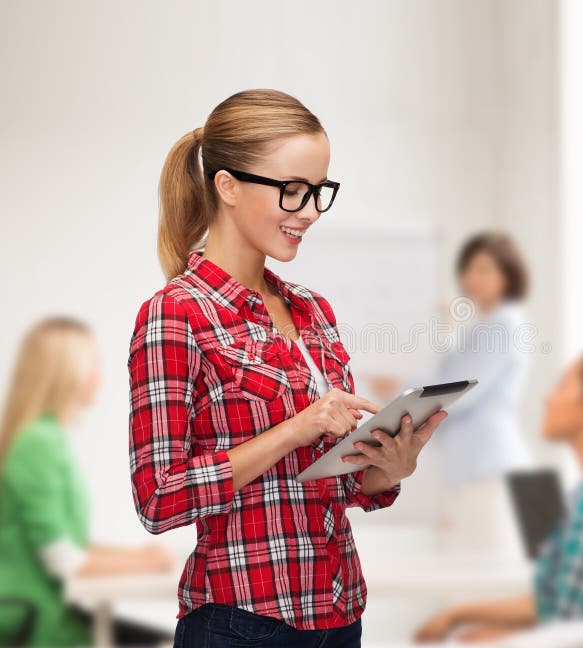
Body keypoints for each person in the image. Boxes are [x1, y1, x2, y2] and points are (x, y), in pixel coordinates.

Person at [128, 88, 448, 648]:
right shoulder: (174, 315)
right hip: (239, 625)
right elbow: (159, 498)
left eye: (319, 192)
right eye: (292, 192)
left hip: (340, 616)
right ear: (227, 186)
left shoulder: (312, 310)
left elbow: (343, 484)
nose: (310, 213)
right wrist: (298, 428)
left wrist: (393, 464)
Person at [413, 345, 583, 643]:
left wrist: (488, 637)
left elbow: (575, 634)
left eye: (563, 387)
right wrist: (460, 615)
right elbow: (557, 603)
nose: (548, 398)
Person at [0, 316, 173, 647]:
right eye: (92, 366)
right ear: (65, 375)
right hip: (33, 621)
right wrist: (143, 562)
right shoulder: (38, 443)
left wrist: (135, 554)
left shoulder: (45, 438)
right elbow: (65, 560)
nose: (99, 379)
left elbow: (66, 542)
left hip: (49, 613)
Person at [369, 231, 534, 556]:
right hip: (486, 468)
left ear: (507, 275)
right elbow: (455, 376)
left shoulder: (502, 324)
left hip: (490, 469)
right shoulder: (489, 325)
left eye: (484, 269)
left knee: (485, 577)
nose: (471, 278)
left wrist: (399, 388)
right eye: (467, 269)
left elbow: (457, 390)